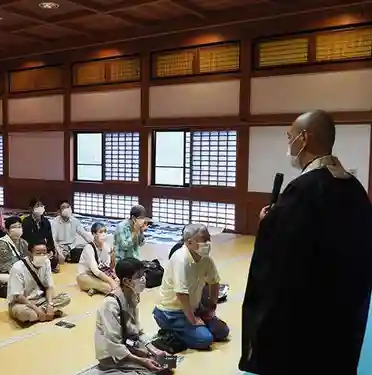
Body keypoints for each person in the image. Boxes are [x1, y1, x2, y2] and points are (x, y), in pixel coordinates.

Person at [240, 110, 372, 375]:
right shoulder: (355, 188)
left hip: (305, 320)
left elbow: (278, 263)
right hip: (345, 313)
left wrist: (268, 224)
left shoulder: (303, 190)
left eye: (290, 136)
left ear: (304, 137)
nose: (289, 143)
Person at [153, 224, 229, 350]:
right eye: (204, 240)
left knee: (222, 331)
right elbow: (181, 294)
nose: (208, 243)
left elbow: (214, 283)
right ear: (189, 243)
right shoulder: (180, 259)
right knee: (205, 340)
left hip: (194, 307)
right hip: (171, 312)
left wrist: (211, 307)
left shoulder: (206, 260)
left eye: (209, 239)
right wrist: (192, 319)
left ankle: (190, 329)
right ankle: (169, 332)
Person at [94, 257, 167, 374]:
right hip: (111, 354)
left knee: (167, 363)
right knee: (150, 371)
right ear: (126, 281)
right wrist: (143, 361)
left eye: (143, 274)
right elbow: (113, 344)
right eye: (139, 276)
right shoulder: (110, 304)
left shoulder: (133, 296)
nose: (143, 279)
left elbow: (137, 331)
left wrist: (155, 351)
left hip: (128, 344)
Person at [7, 240, 71, 324]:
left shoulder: (46, 262)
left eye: (44, 253)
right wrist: (36, 310)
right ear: (29, 253)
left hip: (40, 299)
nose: (42, 255)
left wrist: (50, 305)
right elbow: (18, 296)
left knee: (66, 297)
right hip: (22, 303)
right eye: (38, 253)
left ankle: (44, 312)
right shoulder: (17, 268)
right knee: (29, 314)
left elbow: (48, 286)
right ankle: (44, 313)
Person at [77, 222, 118, 296]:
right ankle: (99, 287)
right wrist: (110, 281)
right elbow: (95, 270)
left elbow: (108, 268)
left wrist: (113, 258)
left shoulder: (106, 246)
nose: (104, 234)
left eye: (105, 232)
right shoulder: (89, 248)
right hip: (87, 275)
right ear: (93, 234)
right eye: (101, 232)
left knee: (118, 281)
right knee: (108, 287)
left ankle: (95, 288)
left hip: (100, 274)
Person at [22, 198, 59, 271]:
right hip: (32, 251)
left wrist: (51, 251)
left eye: (42, 206)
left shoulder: (46, 222)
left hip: (43, 250)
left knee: (54, 260)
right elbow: (25, 241)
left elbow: (49, 239)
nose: (40, 207)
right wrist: (33, 253)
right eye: (37, 206)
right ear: (31, 209)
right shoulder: (26, 222)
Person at [0, 216, 28, 284]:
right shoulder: (3, 244)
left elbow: (29, 258)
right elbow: (5, 266)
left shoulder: (23, 242)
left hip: (20, 272)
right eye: (14, 227)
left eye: (19, 227)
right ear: (7, 230)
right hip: (3, 273)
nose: (17, 229)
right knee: (20, 281)